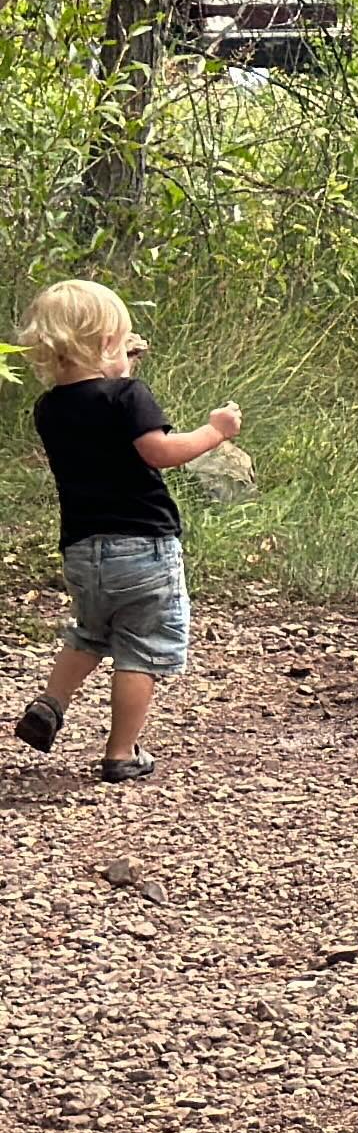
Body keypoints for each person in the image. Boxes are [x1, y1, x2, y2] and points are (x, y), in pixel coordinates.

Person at [14, 273, 243, 782]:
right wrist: (215, 431)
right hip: (143, 547)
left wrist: (117, 363)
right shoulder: (128, 396)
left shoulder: (49, 408)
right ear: (104, 344)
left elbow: (95, 412)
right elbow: (158, 453)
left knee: (89, 634)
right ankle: (122, 752)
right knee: (139, 651)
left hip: (81, 551)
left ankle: (51, 702)